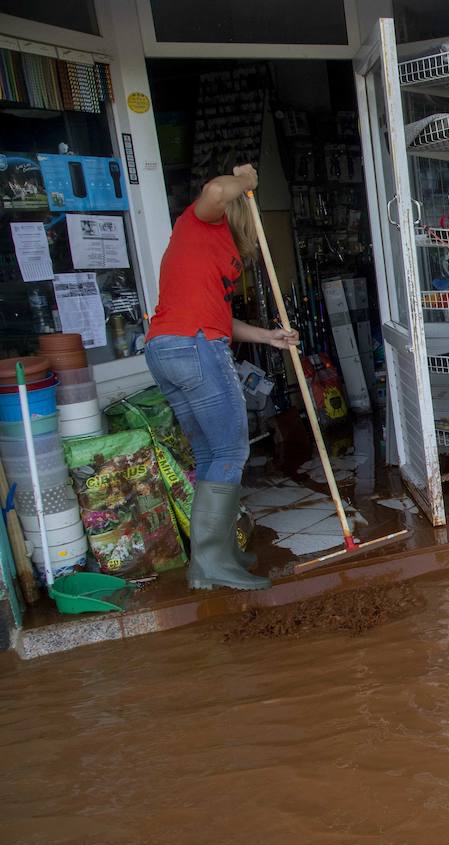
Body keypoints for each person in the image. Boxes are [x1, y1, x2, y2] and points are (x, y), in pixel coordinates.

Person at [144, 164, 298, 591]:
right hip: (193, 347)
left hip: (170, 348)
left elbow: (219, 318)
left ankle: (217, 555)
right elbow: (214, 188)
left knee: (211, 454)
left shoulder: (214, 245)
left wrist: (269, 337)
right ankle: (209, 564)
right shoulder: (199, 221)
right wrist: (249, 180)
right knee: (230, 450)